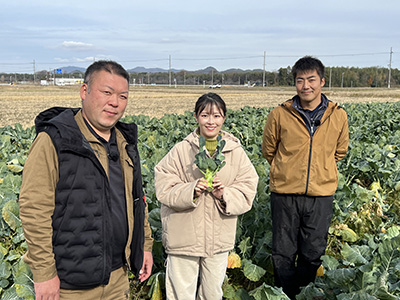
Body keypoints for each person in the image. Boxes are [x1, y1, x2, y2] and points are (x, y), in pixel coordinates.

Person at [19, 60, 153, 300]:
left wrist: (145, 246)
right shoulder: (54, 140)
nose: (115, 102)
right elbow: (34, 210)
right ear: (84, 91)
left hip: (117, 279)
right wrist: (44, 274)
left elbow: (137, 200)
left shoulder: (124, 142)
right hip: (71, 286)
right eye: (107, 92)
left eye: (123, 96)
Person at [154, 93, 258, 300]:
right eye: (205, 115)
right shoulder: (181, 150)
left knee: (212, 293)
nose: (211, 121)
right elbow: (163, 185)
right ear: (196, 117)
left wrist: (224, 194)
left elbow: (248, 188)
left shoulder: (236, 152)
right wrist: (190, 190)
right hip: (183, 237)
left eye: (217, 116)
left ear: (224, 118)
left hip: (218, 239)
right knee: (180, 294)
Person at [262, 56, 349, 299]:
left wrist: (320, 171)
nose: (306, 86)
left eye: (311, 80)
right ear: (295, 84)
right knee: (283, 252)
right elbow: (269, 150)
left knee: (313, 252)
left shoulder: (338, 115)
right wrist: (288, 170)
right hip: (285, 194)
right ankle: (284, 295)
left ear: (322, 81)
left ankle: (306, 294)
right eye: (300, 81)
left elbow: (339, 152)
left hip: (321, 195)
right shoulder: (280, 114)